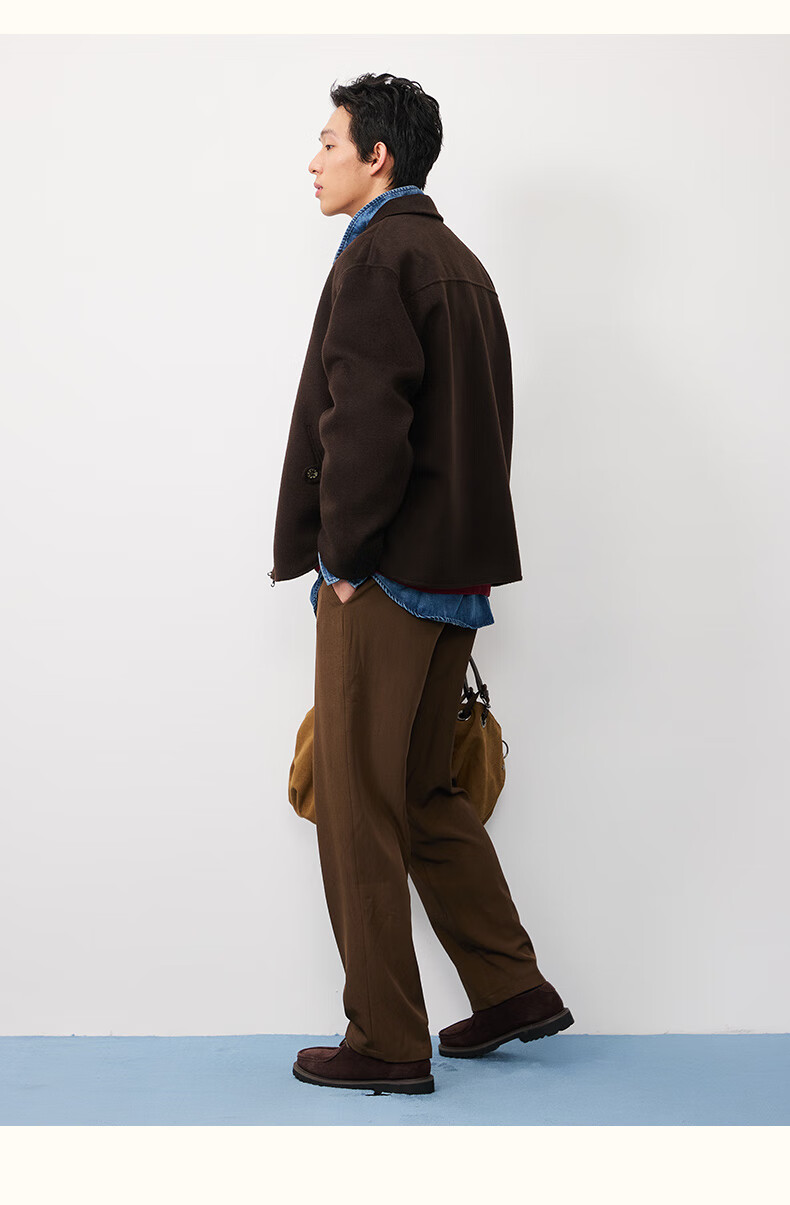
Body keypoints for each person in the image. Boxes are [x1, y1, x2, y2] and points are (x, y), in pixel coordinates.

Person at [270, 72, 573, 1095]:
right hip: (455, 573)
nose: (314, 161)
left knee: (358, 801)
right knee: (421, 789)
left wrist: (346, 560)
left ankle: (386, 1037)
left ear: (378, 156)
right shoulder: (462, 263)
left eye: (329, 142)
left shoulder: (377, 255)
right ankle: (510, 985)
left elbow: (365, 421)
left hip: (388, 577)